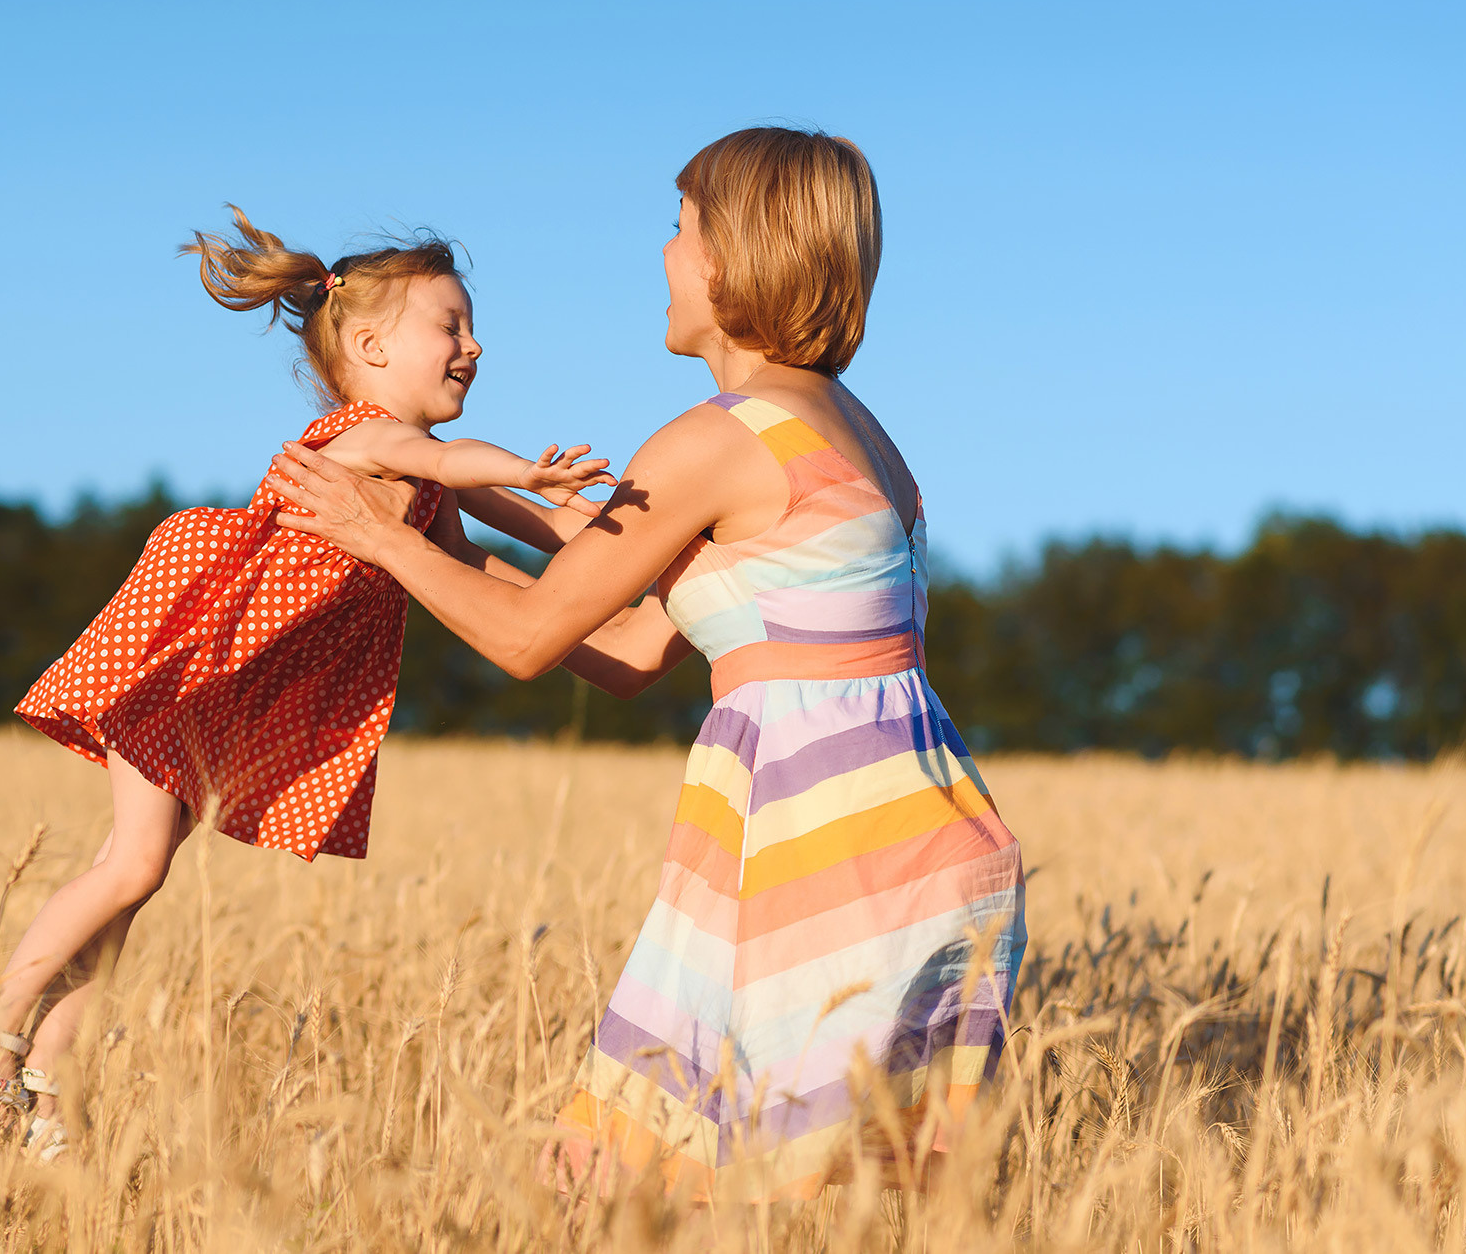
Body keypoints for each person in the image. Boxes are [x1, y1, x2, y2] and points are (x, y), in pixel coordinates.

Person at [268, 128, 1027, 1201]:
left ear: (732, 259)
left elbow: (531, 640)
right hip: (884, 846)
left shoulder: (719, 439)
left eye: (679, 231)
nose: (664, 256)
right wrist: (447, 541)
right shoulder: (848, 428)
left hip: (837, 861)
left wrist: (380, 535)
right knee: (819, 1198)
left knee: (697, 1187)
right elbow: (625, 648)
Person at [0, 208, 613, 1159]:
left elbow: (466, 560)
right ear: (371, 344)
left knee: (134, 879)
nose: (474, 344)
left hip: (234, 685)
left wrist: (581, 593)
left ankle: (48, 1084)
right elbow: (455, 463)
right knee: (129, 868)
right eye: (451, 325)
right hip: (192, 666)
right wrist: (533, 474)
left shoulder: (416, 483)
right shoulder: (371, 436)